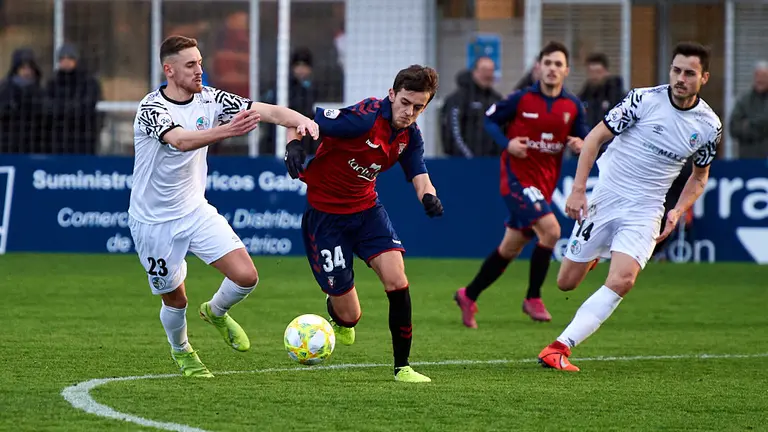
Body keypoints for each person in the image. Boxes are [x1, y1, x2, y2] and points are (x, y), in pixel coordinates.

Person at [128, 35, 318, 378]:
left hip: (194, 210)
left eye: (200, 62)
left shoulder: (211, 98)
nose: (200, 70)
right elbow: (180, 141)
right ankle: (182, 350)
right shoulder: (151, 108)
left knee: (246, 276)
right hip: (153, 222)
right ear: (169, 70)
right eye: (190, 65)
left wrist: (301, 120)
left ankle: (215, 311)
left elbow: (267, 110)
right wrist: (226, 131)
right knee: (175, 300)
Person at [537, 41, 722, 371]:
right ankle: (592, 256)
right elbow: (594, 138)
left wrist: (678, 209)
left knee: (623, 280)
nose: (681, 78)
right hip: (607, 196)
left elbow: (699, 176)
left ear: (704, 77)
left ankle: (559, 347)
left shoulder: (708, 126)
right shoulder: (643, 99)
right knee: (566, 282)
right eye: (676, 70)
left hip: (647, 208)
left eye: (689, 73)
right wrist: (579, 190)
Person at [283, 65, 444, 383]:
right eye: (405, 103)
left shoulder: (409, 137)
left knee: (397, 279)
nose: (410, 112)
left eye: (418, 107)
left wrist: (428, 197)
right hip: (325, 218)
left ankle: (403, 367)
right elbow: (304, 122)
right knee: (350, 315)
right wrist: (294, 145)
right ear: (392, 94)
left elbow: (419, 174)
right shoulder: (363, 117)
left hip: (367, 211)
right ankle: (337, 311)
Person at [453, 41, 589, 327]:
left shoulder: (572, 106)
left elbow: (584, 139)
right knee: (551, 231)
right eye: (547, 63)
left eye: (558, 64)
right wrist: (507, 143)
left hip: (544, 183)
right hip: (516, 178)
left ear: (567, 70)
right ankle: (533, 297)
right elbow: (489, 121)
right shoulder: (521, 99)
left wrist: (580, 144)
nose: (552, 69)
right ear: (538, 67)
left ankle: (469, 294)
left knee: (510, 248)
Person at [440, 56, 502, 157]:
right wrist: (469, 159)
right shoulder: (458, 99)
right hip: (463, 165)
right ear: (475, 72)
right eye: (484, 70)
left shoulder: (496, 99)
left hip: (493, 165)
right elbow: (453, 133)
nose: (487, 74)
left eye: (491, 70)